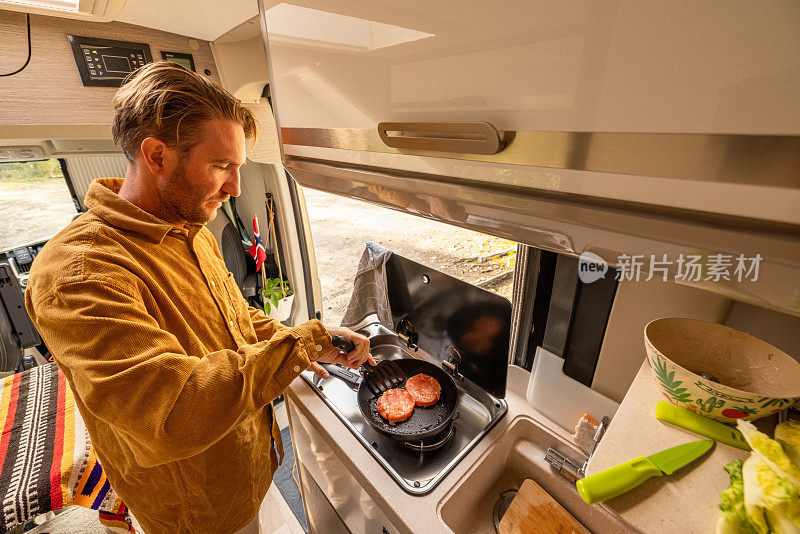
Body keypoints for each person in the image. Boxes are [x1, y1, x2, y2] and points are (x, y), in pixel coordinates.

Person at [24, 61, 374, 533]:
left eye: (239, 167)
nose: (234, 188)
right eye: (221, 166)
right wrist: (299, 346)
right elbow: (171, 411)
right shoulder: (78, 273)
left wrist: (307, 335)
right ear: (156, 155)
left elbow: (233, 319)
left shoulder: (190, 228)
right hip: (195, 508)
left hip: (243, 463)